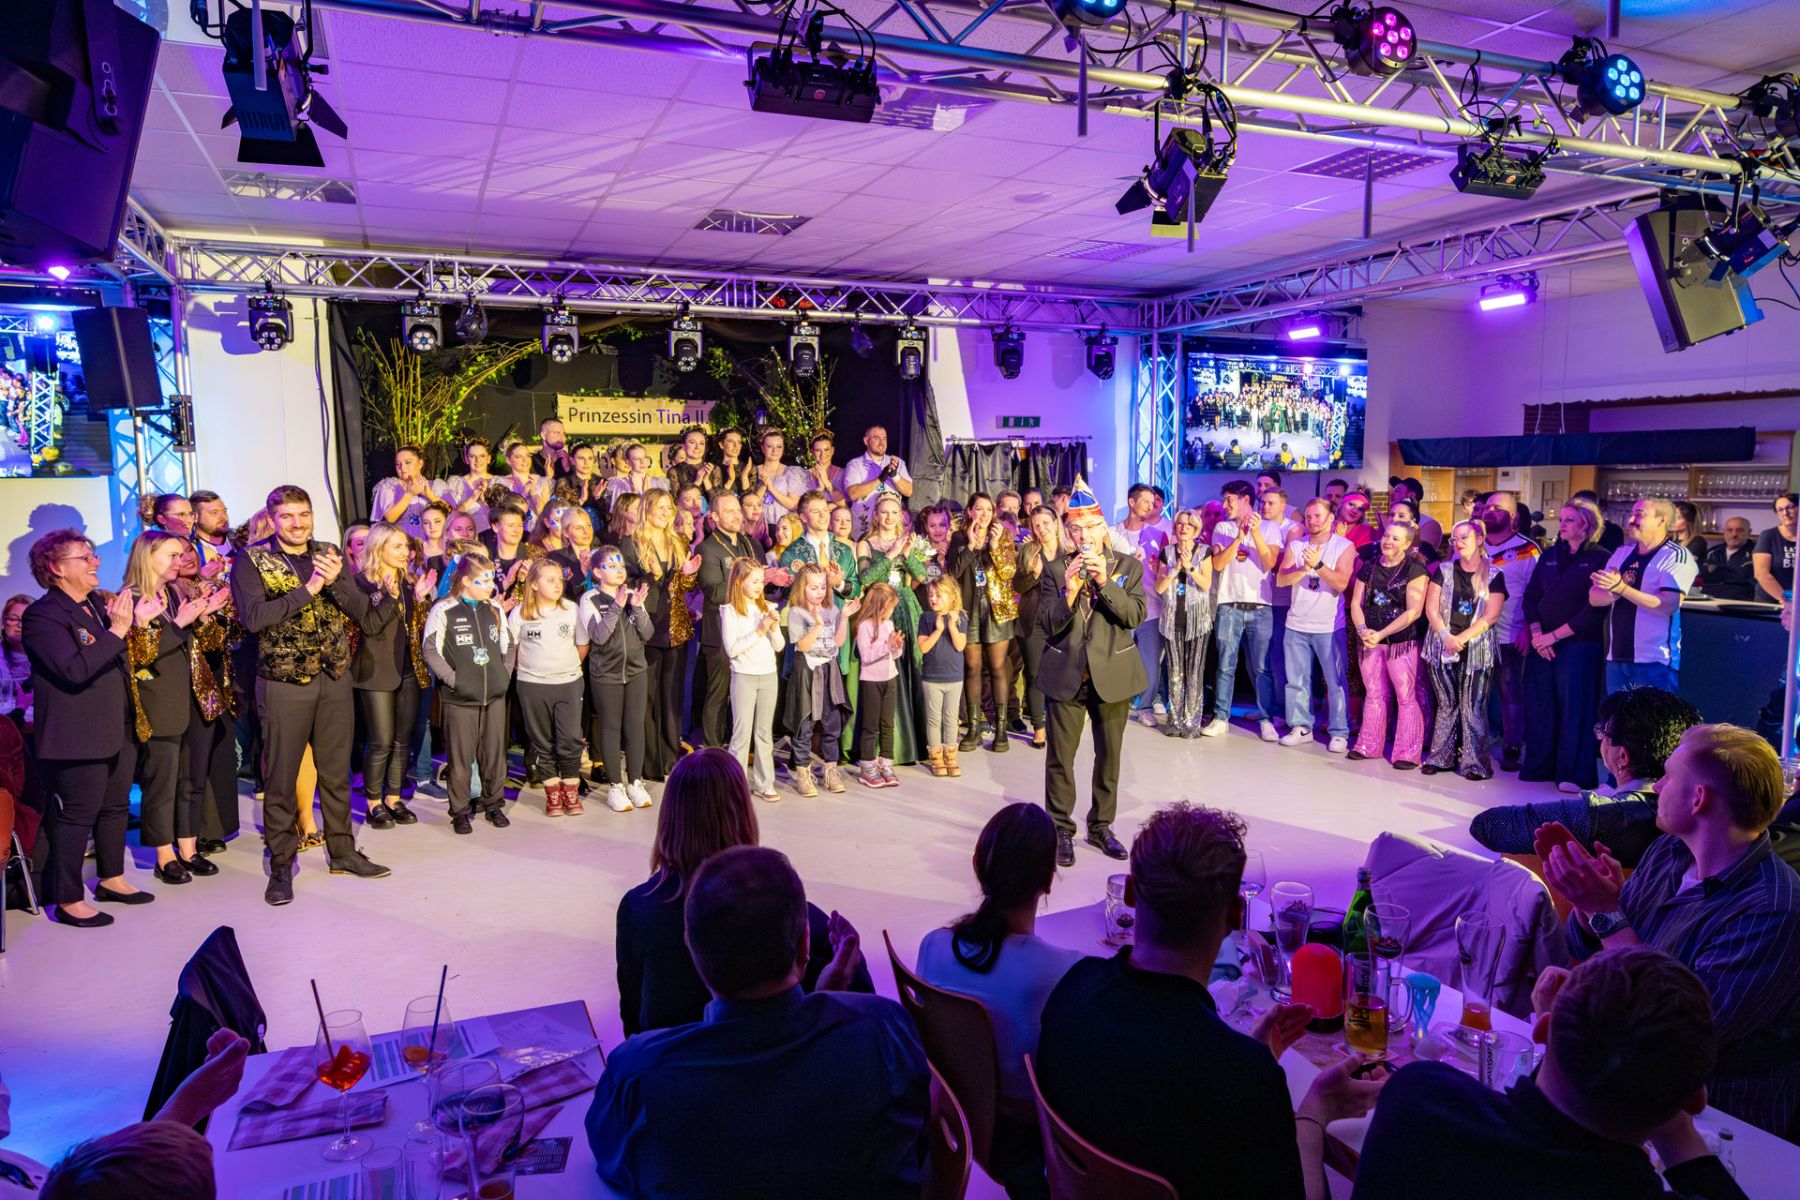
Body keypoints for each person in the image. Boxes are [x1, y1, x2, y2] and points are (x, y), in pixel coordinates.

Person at [1036, 802, 1384, 1200]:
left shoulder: (1072, 990)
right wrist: (1314, 1113)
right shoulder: (1242, 1079)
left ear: (1131, 892)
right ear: (1236, 914)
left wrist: (1249, 1057)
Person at [591, 843, 922, 1197]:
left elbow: (610, 1159)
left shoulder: (639, 1074)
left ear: (692, 949)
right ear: (804, 944)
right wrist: (827, 1001)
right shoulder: (887, 1029)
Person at [1545, 724, 1800, 1141]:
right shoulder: (1669, 851)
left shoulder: (1773, 910)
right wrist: (1591, 906)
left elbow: (1677, 1035)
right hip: (1626, 1082)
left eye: (1667, 776)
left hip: (1719, 1128)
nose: (1657, 786)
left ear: (1698, 800)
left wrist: (1606, 911)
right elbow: (1587, 952)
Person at [1352, 946, 1748, 1200]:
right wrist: (1676, 1127)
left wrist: (1318, 1121)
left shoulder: (1418, 1098)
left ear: (1540, 1029)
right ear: (1694, 1099)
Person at [613, 749, 874, 1036]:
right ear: (743, 814)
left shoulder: (638, 909)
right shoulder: (786, 908)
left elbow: (633, 1023)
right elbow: (858, 1014)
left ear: (669, 818)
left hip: (670, 1061)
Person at [229, 486, 389, 905]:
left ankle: (343, 852)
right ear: (272, 519)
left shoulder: (328, 552)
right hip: (284, 683)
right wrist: (311, 587)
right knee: (281, 778)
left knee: (336, 773)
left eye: (304, 514)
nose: (298, 523)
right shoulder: (252, 559)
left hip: (333, 678)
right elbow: (254, 618)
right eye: (287, 516)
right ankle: (282, 865)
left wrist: (335, 581)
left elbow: (360, 611)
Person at [917, 802, 1079, 1195]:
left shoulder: (933, 946)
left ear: (979, 866)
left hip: (952, 1118)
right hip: (1024, 1143)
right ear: (1048, 880)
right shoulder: (1063, 972)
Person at [22, 533, 143, 926]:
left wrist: (131, 626)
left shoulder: (95, 605)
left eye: (93, 555)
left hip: (117, 725)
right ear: (56, 568)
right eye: (85, 557)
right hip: (78, 734)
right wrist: (118, 631)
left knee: (116, 807)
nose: (96, 562)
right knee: (78, 815)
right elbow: (74, 671)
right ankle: (69, 899)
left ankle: (112, 878)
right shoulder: (42, 616)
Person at [1470, 686, 1701, 868]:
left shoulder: (1607, 815)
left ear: (1622, 757)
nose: (1600, 739)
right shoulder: (1697, 813)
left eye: (1604, 733)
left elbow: (1488, 826)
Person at [1039, 478, 1146, 866]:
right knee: (1060, 759)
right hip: (1066, 674)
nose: (1083, 535)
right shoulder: (1055, 570)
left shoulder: (1128, 566)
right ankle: (1060, 830)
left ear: (1103, 528)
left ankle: (1101, 827)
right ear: (1068, 532)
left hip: (1112, 675)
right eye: (1075, 529)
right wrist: (1069, 592)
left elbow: (1135, 615)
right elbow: (1046, 624)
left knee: (1109, 757)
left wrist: (1104, 581)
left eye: (1089, 527)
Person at [119, 532, 219, 886]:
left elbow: (206, 646)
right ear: (148, 556)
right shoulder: (128, 599)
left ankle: (188, 848)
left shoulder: (176, 594)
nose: (180, 561)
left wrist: (204, 617)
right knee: (162, 780)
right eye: (172, 555)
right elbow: (137, 658)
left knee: (192, 777)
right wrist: (178, 625)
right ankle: (164, 856)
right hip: (159, 700)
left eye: (181, 555)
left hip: (195, 696)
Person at [1520, 500, 1612, 792]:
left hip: (1579, 645)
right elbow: (1531, 597)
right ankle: (1540, 767)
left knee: (1576, 709)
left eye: (1570, 520)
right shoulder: (1549, 554)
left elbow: (1593, 610)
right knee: (1541, 705)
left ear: (1587, 524)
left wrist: (1555, 636)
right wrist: (1538, 634)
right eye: (1561, 519)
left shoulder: (1601, 558)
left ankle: (1573, 774)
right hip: (1542, 644)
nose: (1562, 525)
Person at [421, 554, 515, 836]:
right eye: (483, 581)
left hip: (494, 697)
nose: (491, 586)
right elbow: (430, 649)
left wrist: (503, 676)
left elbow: (508, 645)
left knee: (494, 755)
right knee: (460, 760)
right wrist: (453, 680)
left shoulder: (494, 608)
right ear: (465, 581)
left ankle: (493, 804)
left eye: (491, 579)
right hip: (460, 699)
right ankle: (460, 811)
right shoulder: (444, 609)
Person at [350, 524, 431, 831]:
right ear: (379, 547)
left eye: (405, 546)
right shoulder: (360, 583)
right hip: (375, 672)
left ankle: (393, 798)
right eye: (397, 546)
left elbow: (414, 627)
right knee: (381, 740)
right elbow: (369, 626)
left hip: (407, 668)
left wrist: (420, 600)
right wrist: (388, 595)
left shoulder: (408, 581)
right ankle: (373, 803)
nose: (404, 552)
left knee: (401, 740)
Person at [623, 490, 700, 782]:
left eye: (669, 508)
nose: (666, 513)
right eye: (660, 507)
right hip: (647, 629)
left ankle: (670, 759)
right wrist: (651, 576)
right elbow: (626, 584)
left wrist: (689, 573)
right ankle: (650, 763)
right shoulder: (632, 542)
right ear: (647, 509)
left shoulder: (677, 541)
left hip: (674, 628)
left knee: (672, 697)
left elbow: (685, 586)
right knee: (649, 697)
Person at [1422, 520, 1506, 780]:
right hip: (1442, 644)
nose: (1458, 543)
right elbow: (1431, 609)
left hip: (1477, 649)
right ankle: (1441, 758)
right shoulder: (1444, 570)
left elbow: (1491, 616)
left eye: (1464, 538)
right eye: (1455, 539)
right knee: (1446, 703)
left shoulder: (1494, 574)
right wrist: (1446, 636)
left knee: (1473, 707)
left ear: (1479, 540)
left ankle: (1475, 764)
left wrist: (1462, 638)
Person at [852, 493, 931, 767]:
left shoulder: (908, 542)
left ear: (900, 516)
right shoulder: (865, 544)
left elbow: (922, 577)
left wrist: (907, 554)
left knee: (908, 669)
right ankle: (879, 749)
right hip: (879, 609)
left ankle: (910, 744)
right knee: (882, 669)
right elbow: (865, 579)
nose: (888, 517)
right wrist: (890, 555)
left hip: (905, 609)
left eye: (894, 513)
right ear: (876, 515)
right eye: (884, 512)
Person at [1590, 498, 1698, 695]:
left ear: (1662, 520)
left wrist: (1621, 588)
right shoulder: (1622, 553)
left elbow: (1668, 605)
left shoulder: (1676, 555)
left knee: (1654, 716)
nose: (1631, 520)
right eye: (1631, 514)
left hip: (1655, 661)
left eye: (1639, 515)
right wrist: (1614, 592)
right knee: (1617, 715)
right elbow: (1594, 597)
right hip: (1616, 657)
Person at [510, 558, 589, 818]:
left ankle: (570, 788)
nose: (558, 585)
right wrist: (532, 670)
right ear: (534, 584)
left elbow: (582, 644)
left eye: (560, 580)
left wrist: (565, 668)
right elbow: (512, 648)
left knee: (570, 739)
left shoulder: (571, 609)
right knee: (541, 740)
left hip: (568, 683)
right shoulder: (520, 613)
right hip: (532, 685)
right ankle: (552, 792)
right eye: (550, 580)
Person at [1203, 480, 1280, 741]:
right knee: (1226, 665)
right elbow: (1218, 564)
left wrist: (1254, 533)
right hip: (1229, 605)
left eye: (1229, 499)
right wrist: (1238, 537)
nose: (1225, 505)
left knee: (1261, 667)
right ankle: (1221, 717)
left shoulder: (1270, 527)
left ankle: (1266, 719)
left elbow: (1269, 563)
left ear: (1245, 499)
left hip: (1261, 606)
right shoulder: (1222, 527)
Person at [1275, 497, 1354, 752]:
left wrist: (1318, 565)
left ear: (1331, 518)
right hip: (1296, 623)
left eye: (1317, 516)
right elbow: (1281, 580)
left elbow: (1341, 583)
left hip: (1329, 627)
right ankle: (1301, 727)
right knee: (1296, 680)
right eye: (1308, 516)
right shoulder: (1296, 545)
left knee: (1335, 682)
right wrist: (1303, 567)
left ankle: (1339, 731)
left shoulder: (1344, 546)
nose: (1312, 521)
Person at [1349, 520, 1430, 767]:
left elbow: (1414, 611)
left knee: (1405, 697)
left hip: (1401, 642)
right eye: (1386, 536)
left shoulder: (1415, 569)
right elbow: (1356, 603)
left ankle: (1407, 752)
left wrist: (1382, 633)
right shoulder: (1370, 566)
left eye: (1395, 538)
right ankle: (1369, 745)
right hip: (1370, 640)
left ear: (1407, 543)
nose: (1388, 541)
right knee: (1374, 693)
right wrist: (1363, 630)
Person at [696, 492, 773, 749]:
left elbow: (762, 585)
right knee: (719, 694)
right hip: (720, 631)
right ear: (714, 517)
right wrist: (751, 582)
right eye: (728, 511)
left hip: (752, 629)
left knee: (745, 695)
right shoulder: (708, 548)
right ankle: (712, 749)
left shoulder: (752, 545)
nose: (736, 515)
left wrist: (775, 580)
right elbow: (715, 592)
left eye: (737, 510)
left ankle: (740, 747)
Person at [579, 546, 653, 814]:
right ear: (598, 572)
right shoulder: (590, 598)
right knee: (611, 728)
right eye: (611, 566)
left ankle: (635, 781)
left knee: (635, 727)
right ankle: (615, 786)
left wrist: (638, 608)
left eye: (620, 565)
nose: (619, 570)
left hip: (636, 671)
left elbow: (647, 633)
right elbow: (598, 636)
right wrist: (617, 606)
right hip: (606, 674)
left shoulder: (632, 595)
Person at [951, 493, 1018, 754]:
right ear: (969, 511)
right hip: (968, 611)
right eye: (978, 509)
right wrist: (970, 545)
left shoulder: (1003, 536)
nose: (984, 514)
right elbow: (952, 574)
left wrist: (995, 546)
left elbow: (1009, 572)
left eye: (988, 509)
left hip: (996, 610)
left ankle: (1001, 730)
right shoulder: (959, 538)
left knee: (998, 667)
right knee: (972, 668)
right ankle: (974, 728)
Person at [1480, 493, 1542, 772]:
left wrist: (1528, 629)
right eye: (1488, 507)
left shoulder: (1528, 549)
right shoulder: (1471, 543)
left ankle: (1512, 745)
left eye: (1498, 508)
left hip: (1511, 632)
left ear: (1514, 516)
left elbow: (1537, 593)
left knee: (1510, 692)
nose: (1490, 511)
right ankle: (1473, 744)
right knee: (1474, 693)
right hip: (1473, 633)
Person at [781, 564, 852, 797]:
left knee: (832, 722)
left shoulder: (831, 609)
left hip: (829, 669)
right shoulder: (796, 612)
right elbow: (803, 645)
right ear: (802, 588)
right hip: (807, 671)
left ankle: (830, 770)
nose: (819, 592)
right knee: (805, 722)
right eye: (813, 588)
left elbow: (838, 642)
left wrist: (844, 618)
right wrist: (818, 626)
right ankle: (803, 772)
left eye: (822, 586)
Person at [721, 558, 785, 803]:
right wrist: (759, 630)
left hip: (768, 675)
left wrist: (774, 629)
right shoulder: (731, 611)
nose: (760, 586)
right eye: (755, 581)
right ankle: (734, 785)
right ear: (740, 582)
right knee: (741, 734)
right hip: (744, 676)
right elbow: (732, 649)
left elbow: (779, 646)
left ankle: (764, 783)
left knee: (764, 733)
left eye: (761, 581)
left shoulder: (767, 606)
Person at [1111, 484, 1170, 729]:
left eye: (1153, 502)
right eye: (1145, 501)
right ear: (1131, 502)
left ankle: (1145, 707)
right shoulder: (1112, 533)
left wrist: (1159, 570)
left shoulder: (1159, 536)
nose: (1150, 505)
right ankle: (1114, 704)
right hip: (1121, 610)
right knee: (1117, 660)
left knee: (1150, 664)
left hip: (1150, 608)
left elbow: (1165, 573)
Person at [1154, 507, 1214, 739]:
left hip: (1197, 621)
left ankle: (1191, 723)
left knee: (1194, 672)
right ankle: (1175, 720)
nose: (1183, 528)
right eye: (1180, 523)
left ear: (1196, 528)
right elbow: (1160, 588)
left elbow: (1206, 585)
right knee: (1175, 673)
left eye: (1189, 524)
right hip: (1172, 620)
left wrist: (1189, 567)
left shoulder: (1204, 552)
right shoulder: (1167, 552)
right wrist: (1175, 568)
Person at [1015, 506, 1069, 750]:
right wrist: (1035, 575)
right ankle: (1038, 727)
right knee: (1035, 675)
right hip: (1035, 621)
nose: (1041, 529)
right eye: (1036, 525)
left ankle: (1060, 723)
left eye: (1045, 523)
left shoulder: (1070, 552)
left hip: (1064, 620)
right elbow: (1018, 585)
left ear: (1056, 523)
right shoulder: (1029, 550)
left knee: (1063, 674)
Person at [852, 583, 904, 789]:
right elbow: (866, 656)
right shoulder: (865, 626)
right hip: (871, 681)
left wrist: (896, 647)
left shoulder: (889, 624)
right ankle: (867, 768)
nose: (891, 612)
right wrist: (886, 646)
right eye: (890, 607)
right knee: (871, 726)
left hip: (890, 678)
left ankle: (886, 764)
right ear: (881, 606)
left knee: (887, 724)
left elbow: (894, 655)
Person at [917, 576, 968, 777]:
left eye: (938, 595)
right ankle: (936, 758)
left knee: (951, 718)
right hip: (932, 677)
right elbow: (923, 647)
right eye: (931, 595)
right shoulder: (926, 618)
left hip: (954, 676)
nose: (933, 598)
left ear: (952, 596)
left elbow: (960, 646)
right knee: (934, 718)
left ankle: (951, 757)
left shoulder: (960, 617)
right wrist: (938, 630)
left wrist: (952, 626)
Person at [777, 489, 859, 602]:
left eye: (825, 510)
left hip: (838, 613)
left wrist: (839, 584)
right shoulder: (791, 553)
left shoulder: (845, 550)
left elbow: (856, 590)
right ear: (803, 517)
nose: (823, 515)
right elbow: (787, 592)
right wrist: (814, 582)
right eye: (816, 511)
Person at [843, 424, 914, 536]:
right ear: (866, 441)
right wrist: (879, 479)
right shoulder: (855, 465)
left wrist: (895, 476)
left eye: (884, 438)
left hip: (891, 531)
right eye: (876, 438)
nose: (882, 443)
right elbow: (852, 494)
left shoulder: (896, 462)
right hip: (864, 532)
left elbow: (909, 491)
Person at [370, 445, 442, 538]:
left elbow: (451, 514)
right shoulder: (389, 487)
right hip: (401, 542)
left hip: (431, 543)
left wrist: (429, 495)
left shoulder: (435, 486)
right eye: (398, 464)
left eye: (408, 462)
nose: (402, 468)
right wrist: (409, 494)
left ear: (420, 463)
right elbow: (390, 518)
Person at [747, 428, 810, 530]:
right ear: (762, 448)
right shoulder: (754, 471)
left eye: (779, 446)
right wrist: (763, 486)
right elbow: (748, 503)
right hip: (757, 527)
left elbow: (794, 505)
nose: (774, 450)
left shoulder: (790, 473)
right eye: (769, 446)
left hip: (782, 528)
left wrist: (771, 489)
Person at [443, 436, 500, 532]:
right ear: (466, 459)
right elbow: (450, 517)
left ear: (489, 458)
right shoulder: (456, 483)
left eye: (482, 456)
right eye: (472, 456)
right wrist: (472, 498)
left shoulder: (498, 482)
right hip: (464, 536)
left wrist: (485, 499)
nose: (477, 460)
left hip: (492, 536)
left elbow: (503, 517)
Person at [1754, 492, 1798, 605]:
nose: (1785, 513)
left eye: (1790, 507)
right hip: (1771, 603)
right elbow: (1761, 574)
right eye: (1780, 510)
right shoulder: (1768, 536)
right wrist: (1787, 600)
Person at [1701, 517, 1757, 600]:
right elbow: (1704, 576)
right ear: (1724, 532)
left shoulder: (1757, 552)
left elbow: (1749, 580)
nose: (1734, 534)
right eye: (1730, 530)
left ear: (1749, 532)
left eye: (1740, 530)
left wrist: (1719, 572)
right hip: (1709, 597)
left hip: (1740, 599)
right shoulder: (1713, 552)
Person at [1386, 476, 1443, 551]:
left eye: (1397, 491)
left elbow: (1422, 554)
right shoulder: (1391, 521)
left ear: (1411, 495)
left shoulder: (1429, 524)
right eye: (1392, 515)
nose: (1391, 494)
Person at [189, 491, 235, 573]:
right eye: (214, 512)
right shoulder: (188, 549)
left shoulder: (242, 539)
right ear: (195, 517)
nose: (223, 517)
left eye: (224, 511)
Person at [666, 425, 714, 496]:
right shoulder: (674, 471)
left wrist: (706, 480)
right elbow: (676, 499)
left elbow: (720, 499)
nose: (697, 447)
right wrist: (697, 481)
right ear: (683, 446)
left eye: (701, 443)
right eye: (692, 442)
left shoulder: (713, 468)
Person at [805, 431, 846, 502]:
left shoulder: (843, 474)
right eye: (818, 450)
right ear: (812, 452)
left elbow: (844, 504)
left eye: (826, 450)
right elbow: (803, 505)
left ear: (832, 450)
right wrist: (820, 489)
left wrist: (827, 483)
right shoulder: (804, 476)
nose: (822, 454)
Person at [530, 415, 575, 480]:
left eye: (564, 434)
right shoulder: (531, 463)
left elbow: (578, 485)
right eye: (556, 433)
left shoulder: (570, 461)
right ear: (543, 435)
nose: (562, 437)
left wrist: (567, 468)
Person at [1672, 500, 1709, 565]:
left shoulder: (1698, 541)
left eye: (1678, 518)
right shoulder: (1670, 540)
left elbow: (1680, 564)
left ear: (1688, 521)